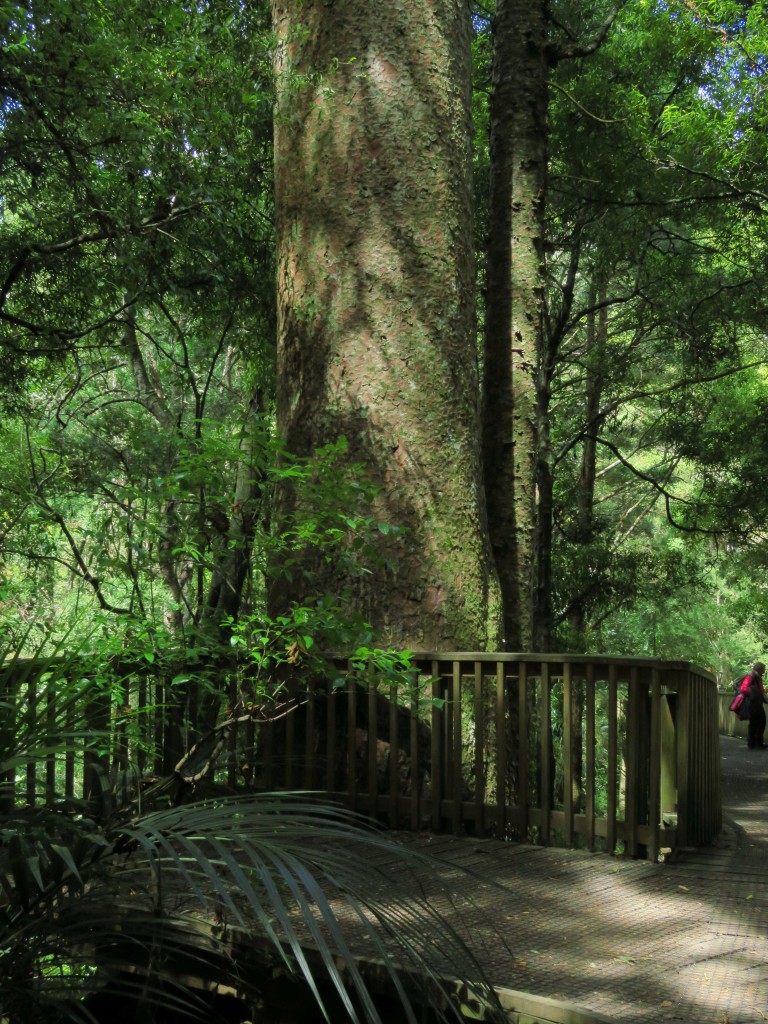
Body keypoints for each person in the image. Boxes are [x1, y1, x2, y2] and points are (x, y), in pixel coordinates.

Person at [739, 662, 768, 749]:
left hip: (756, 703)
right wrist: (753, 693)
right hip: (753, 704)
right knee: (761, 723)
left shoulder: (756, 677)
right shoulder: (751, 677)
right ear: (759, 668)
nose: (764, 671)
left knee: (754, 724)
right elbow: (743, 688)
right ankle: (757, 743)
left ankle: (752, 743)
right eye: (763, 669)